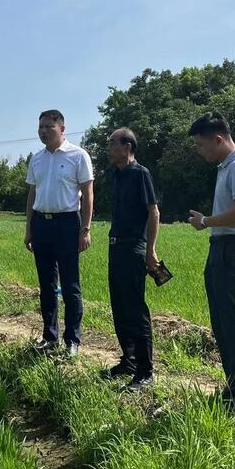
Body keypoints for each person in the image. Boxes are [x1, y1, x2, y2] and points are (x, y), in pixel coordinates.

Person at [187, 113, 235, 416]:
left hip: (233, 250)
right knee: (222, 323)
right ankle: (233, 388)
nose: (199, 151)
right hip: (221, 248)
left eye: (201, 145)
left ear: (217, 139)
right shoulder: (226, 167)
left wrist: (206, 221)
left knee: (233, 324)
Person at [25, 109, 94, 357]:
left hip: (67, 224)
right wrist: (29, 228)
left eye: (49, 127)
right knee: (46, 285)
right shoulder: (37, 159)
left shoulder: (78, 155)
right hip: (41, 224)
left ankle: (72, 340)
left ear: (62, 129)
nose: (44, 131)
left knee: (70, 284)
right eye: (41, 127)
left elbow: (88, 194)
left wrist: (85, 229)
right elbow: (32, 194)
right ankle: (49, 336)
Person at [102, 127, 160, 391]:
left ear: (128, 147)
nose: (109, 148)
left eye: (112, 143)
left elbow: (153, 212)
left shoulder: (140, 173)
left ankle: (146, 372)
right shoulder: (116, 174)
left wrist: (150, 250)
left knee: (135, 310)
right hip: (115, 246)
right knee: (119, 307)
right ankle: (129, 361)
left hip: (133, 247)